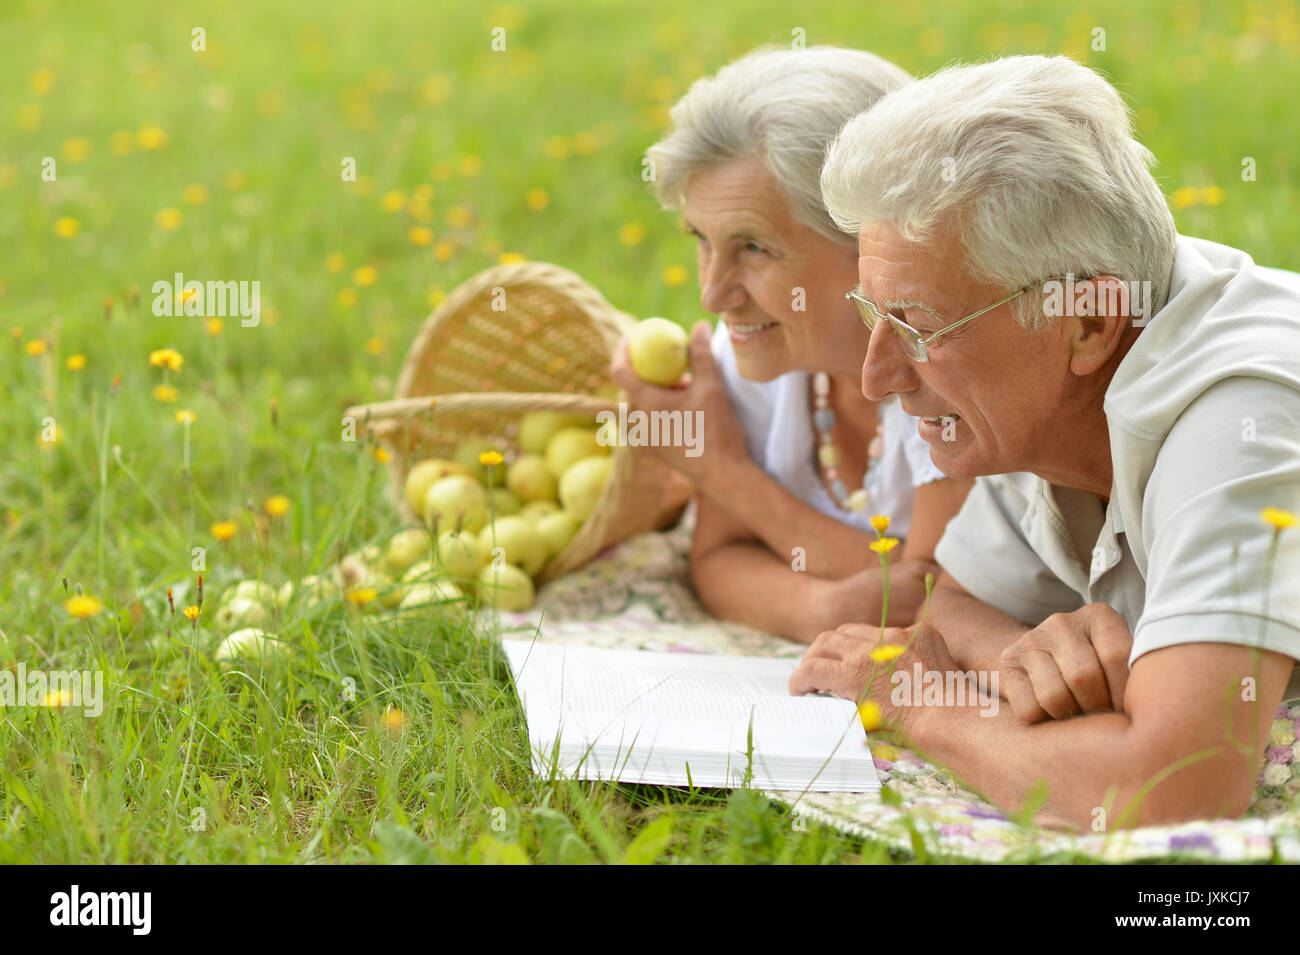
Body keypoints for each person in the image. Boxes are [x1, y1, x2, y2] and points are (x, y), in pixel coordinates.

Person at [791, 54, 1300, 828]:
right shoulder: (1039, 388)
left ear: (1089, 321)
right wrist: (1012, 652)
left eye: (917, 328)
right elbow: (953, 598)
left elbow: (1176, 790)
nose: (877, 376)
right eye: (874, 315)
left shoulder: (1243, 413)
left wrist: (916, 706)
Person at [609, 45, 973, 642]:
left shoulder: (950, 373)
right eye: (702, 239)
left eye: (754, 247)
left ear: (874, 243)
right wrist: (824, 612)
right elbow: (720, 560)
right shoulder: (763, 353)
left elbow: (929, 594)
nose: (714, 295)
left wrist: (724, 472)